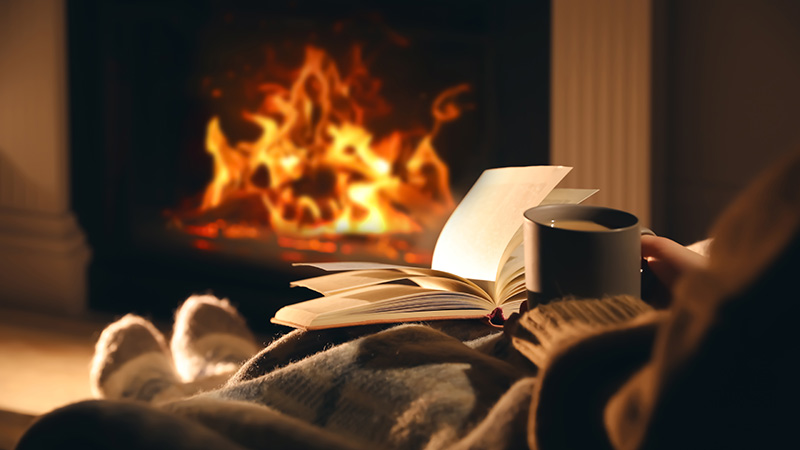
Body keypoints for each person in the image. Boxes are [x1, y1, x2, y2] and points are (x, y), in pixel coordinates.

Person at [17, 148, 800, 450]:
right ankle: (218, 378)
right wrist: (700, 283)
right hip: (650, 346)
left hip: (579, 386)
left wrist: (560, 309)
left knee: (89, 436)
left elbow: (657, 412)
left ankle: (173, 387)